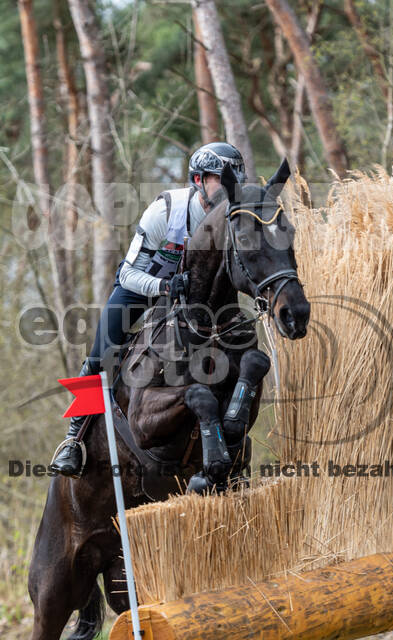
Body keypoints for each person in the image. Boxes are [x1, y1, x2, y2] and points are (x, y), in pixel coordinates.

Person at [50, 142, 247, 477]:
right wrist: (164, 287)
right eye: (222, 178)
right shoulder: (166, 210)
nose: (232, 185)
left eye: (236, 178)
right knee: (103, 351)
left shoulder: (233, 217)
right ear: (198, 179)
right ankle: (74, 439)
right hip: (145, 286)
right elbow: (128, 272)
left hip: (194, 299)